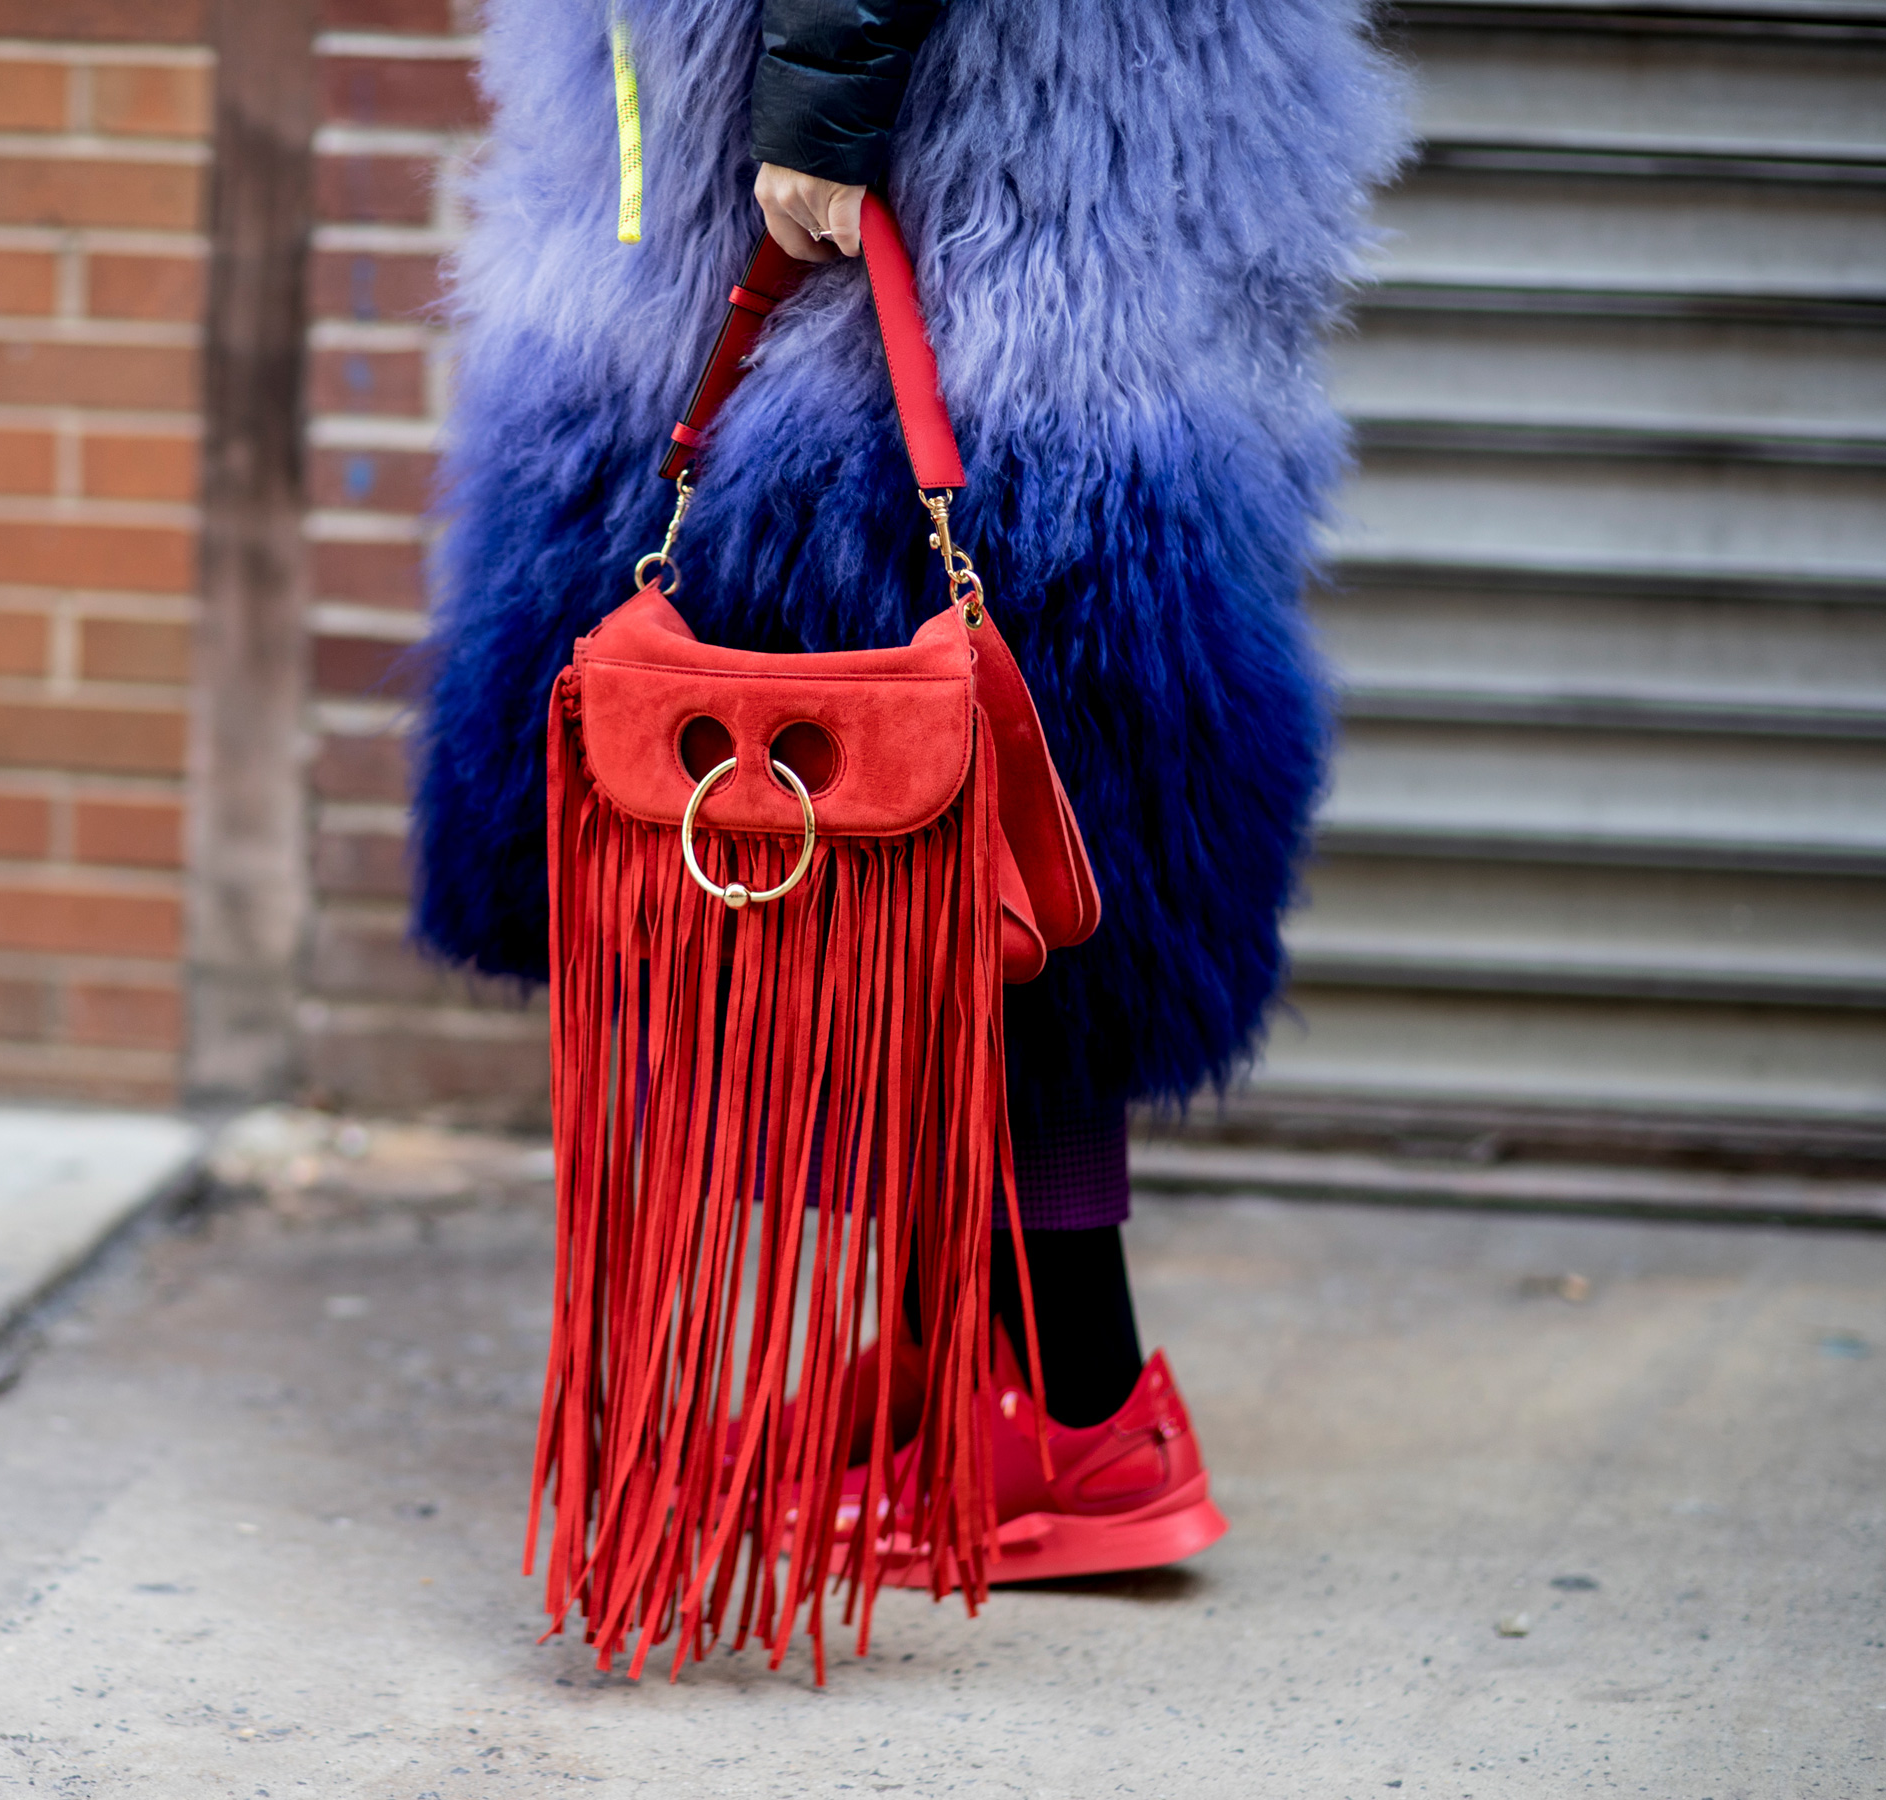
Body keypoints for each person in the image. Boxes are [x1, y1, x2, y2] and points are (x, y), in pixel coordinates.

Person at [414, 1, 1403, 1576]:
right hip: (999, 122)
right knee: (963, 784)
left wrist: (822, 81)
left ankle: (1076, 1419)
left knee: (951, 791)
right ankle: (996, 1371)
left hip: (942, 123)